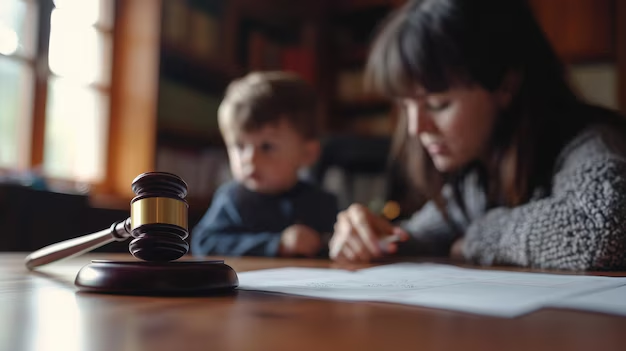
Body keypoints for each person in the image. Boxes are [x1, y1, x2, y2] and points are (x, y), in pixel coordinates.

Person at [329, 0, 626, 270]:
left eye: (437, 104)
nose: (415, 128)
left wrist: (477, 238)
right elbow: (423, 235)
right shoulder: (476, 179)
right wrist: (367, 236)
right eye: (406, 107)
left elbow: (601, 229)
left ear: (506, 86)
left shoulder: (590, 141)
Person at [192, 71, 338, 258]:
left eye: (266, 147)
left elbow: (334, 247)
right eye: (240, 146)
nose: (249, 160)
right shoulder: (232, 199)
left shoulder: (321, 203)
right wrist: (276, 244)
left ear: (307, 153)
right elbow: (204, 243)